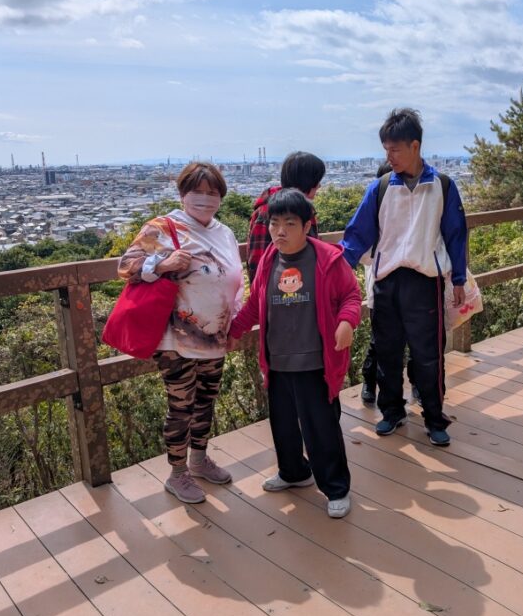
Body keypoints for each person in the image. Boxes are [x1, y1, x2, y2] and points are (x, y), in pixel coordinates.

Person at [229, 188, 361, 519]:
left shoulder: (327, 259)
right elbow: (254, 306)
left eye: (289, 224)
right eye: (274, 224)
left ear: (307, 226)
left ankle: (336, 487)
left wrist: (346, 323)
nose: (280, 232)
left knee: (321, 428)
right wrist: (233, 331)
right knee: (283, 425)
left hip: (316, 361)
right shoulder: (268, 262)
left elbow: (351, 296)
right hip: (278, 361)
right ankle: (293, 472)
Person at [118, 161, 243, 504]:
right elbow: (125, 265)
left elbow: (237, 281)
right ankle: (177, 474)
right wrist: (162, 264)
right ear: (182, 194)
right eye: (197, 192)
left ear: (221, 197)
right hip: (177, 338)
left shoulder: (224, 233)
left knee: (206, 401)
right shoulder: (163, 226)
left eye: (212, 192)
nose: (204, 199)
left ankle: (200, 460)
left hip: (216, 334)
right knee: (181, 405)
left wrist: (235, 323)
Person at [341, 108, 467, 447]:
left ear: (415, 145)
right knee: (387, 351)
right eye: (386, 150)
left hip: (424, 281)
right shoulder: (381, 187)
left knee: (428, 354)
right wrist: (338, 272)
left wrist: (458, 282)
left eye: (395, 149)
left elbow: (456, 234)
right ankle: (392, 411)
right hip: (386, 282)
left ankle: (435, 418)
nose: (389, 156)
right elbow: (356, 235)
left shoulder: (442, 186)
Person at [360, 161, 420, 406]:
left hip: (413, 290)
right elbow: (363, 252)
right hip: (381, 290)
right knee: (381, 342)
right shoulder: (373, 213)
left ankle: (416, 385)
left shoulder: (415, 213)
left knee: (415, 341)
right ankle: (370, 383)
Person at [246, 151, 326, 284]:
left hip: (302, 287)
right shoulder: (268, 211)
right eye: (317, 180)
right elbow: (258, 261)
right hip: (278, 290)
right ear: (307, 181)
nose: (319, 185)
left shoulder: (304, 209)